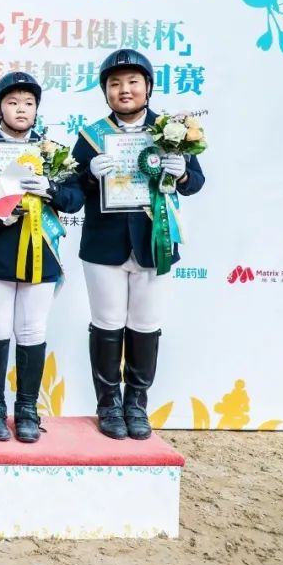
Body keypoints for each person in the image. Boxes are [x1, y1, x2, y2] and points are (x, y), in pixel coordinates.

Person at [70, 49, 205, 440]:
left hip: (154, 242)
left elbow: (196, 183)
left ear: (148, 87)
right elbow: (70, 193)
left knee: (146, 325)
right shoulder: (91, 136)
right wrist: (89, 175)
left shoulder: (171, 131)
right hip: (104, 246)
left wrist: (182, 173)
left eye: (132, 82)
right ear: (105, 92)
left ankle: (136, 405)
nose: (124, 90)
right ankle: (108, 405)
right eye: (115, 84)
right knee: (107, 323)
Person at [0, 72, 82, 443]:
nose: (21, 109)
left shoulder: (52, 151)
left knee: (32, 330)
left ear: (37, 109)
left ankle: (26, 410)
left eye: (28, 103)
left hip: (42, 251)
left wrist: (51, 188)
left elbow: (75, 200)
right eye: (12, 102)